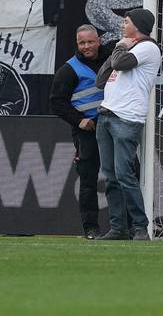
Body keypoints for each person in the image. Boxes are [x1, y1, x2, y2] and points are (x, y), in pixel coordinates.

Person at [95, 9, 161, 241]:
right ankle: (118, 228)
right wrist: (117, 49)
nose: (123, 25)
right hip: (106, 115)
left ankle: (140, 227)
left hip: (126, 117)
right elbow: (100, 80)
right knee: (110, 176)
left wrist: (119, 48)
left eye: (126, 21)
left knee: (124, 173)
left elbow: (121, 63)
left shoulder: (147, 47)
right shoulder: (125, 47)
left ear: (138, 25)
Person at [50, 24, 114, 240]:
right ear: (77, 44)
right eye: (81, 43)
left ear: (99, 41)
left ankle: (128, 225)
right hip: (88, 131)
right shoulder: (69, 69)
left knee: (126, 176)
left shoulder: (114, 59)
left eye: (90, 42)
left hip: (115, 129)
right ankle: (90, 228)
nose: (86, 46)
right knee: (88, 181)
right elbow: (57, 103)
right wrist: (79, 121)